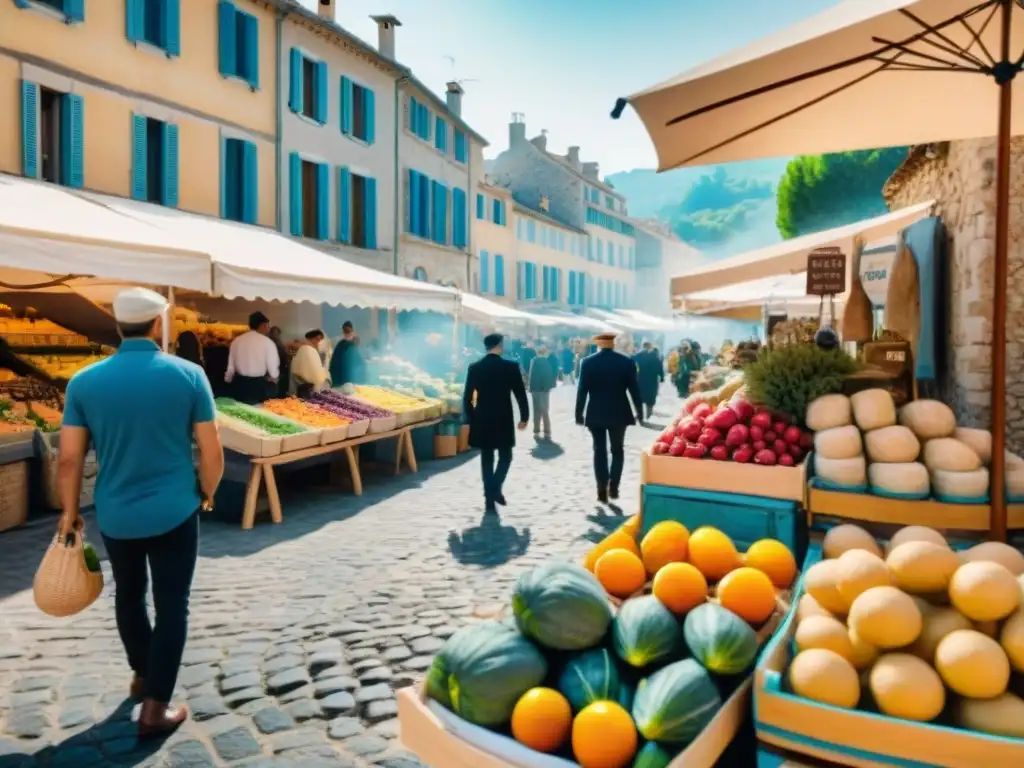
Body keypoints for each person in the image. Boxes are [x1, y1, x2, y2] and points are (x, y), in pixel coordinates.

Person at [57, 287, 224, 737]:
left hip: (115, 511)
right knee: (173, 605)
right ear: (156, 325)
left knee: (128, 594)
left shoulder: (84, 382)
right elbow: (211, 449)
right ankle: (156, 706)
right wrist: (206, 492)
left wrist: (70, 511)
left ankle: (142, 672)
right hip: (175, 508)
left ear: (117, 325)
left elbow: (69, 458)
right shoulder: (189, 375)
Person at [463, 333, 529, 514]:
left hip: (482, 418)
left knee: (487, 458)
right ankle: (495, 487)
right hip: (503, 418)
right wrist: (524, 417)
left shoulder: (475, 368)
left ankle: (489, 498)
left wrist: (471, 418)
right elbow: (520, 395)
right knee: (506, 456)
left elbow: (467, 397)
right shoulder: (510, 367)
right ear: (499, 346)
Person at [576, 332, 643, 503]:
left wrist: (578, 413)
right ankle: (614, 485)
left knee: (599, 451)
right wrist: (639, 411)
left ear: (598, 344)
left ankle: (601, 488)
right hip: (619, 412)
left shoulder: (588, 362)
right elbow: (634, 389)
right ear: (613, 344)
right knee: (617, 450)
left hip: (595, 412)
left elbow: (582, 390)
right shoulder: (626, 362)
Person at [225, 311, 280, 404]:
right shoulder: (267, 342)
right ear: (262, 325)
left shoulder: (236, 341)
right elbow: (273, 369)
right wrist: (274, 378)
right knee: (258, 411)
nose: (268, 328)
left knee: (240, 411)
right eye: (267, 325)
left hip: (239, 384)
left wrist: (228, 380)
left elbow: (230, 367)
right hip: (258, 385)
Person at [528, 344, 556, 439]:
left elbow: (531, 375)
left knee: (536, 410)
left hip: (535, 389)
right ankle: (547, 430)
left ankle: (536, 430)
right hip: (544, 390)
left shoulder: (534, 360)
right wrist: (548, 387)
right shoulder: (548, 361)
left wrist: (530, 388)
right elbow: (550, 375)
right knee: (544, 410)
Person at [290, 329, 329, 397]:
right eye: (317, 339)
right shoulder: (308, 350)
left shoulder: (306, 349)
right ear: (311, 339)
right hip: (308, 386)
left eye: (320, 340)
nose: (319, 342)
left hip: (303, 385)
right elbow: (314, 373)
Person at [329, 321, 367, 386]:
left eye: (348, 331)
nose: (347, 333)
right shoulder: (341, 345)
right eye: (345, 331)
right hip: (342, 379)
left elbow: (360, 363)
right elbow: (335, 363)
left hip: (348, 380)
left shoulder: (349, 344)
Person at [634, 341, 665, 420]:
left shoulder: (638, 355)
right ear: (650, 347)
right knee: (650, 397)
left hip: (641, 379)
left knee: (640, 397)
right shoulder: (654, 356)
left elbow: (631, 363)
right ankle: (649, 413)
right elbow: (659, 367)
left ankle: (640, 414)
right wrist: (661, 377)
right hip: (652, 379)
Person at [268, 326, 291, 398]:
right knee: (280, 392)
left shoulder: (269, 342)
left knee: (275, 391)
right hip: (280, 370)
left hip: (276, 370)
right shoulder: (278, 344)